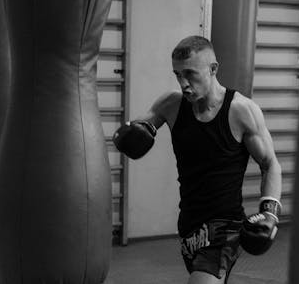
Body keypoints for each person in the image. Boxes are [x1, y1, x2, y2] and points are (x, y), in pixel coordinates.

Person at [113, 36, 282, 284]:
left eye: (190, 74)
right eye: (177, 75)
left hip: (225, 227)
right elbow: (144, 123)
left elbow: (270, 164)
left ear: (213, 69)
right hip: (189, 224)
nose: (183, 83)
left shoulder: (241, 111)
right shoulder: (171, 104)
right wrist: (134, 132)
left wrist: (270, 213)